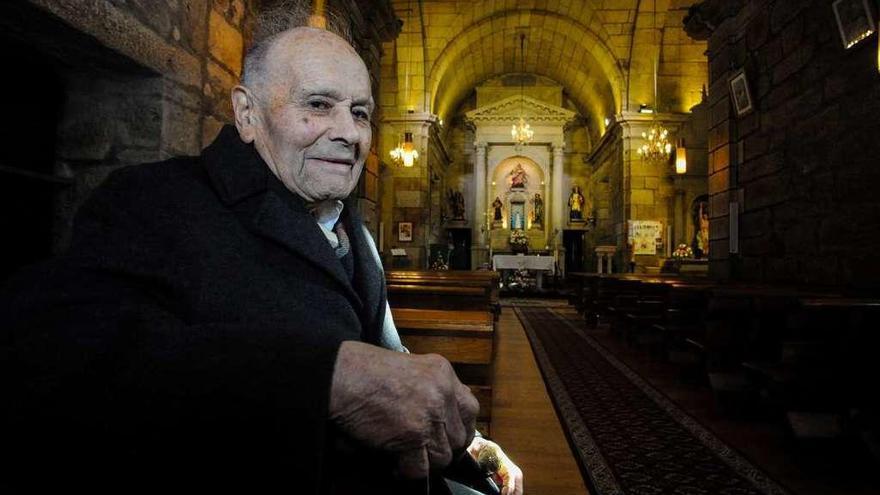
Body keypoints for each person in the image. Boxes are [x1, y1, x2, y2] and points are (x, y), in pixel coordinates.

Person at [0, 4, 522, 494]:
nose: (348, 133)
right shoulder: (156, 201)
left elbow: (388, 366)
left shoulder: (357, 234)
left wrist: (463, 444)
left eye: (360, 113)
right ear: (247, 113)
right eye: (318, 105)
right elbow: (57, 355)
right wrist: (325, 379)